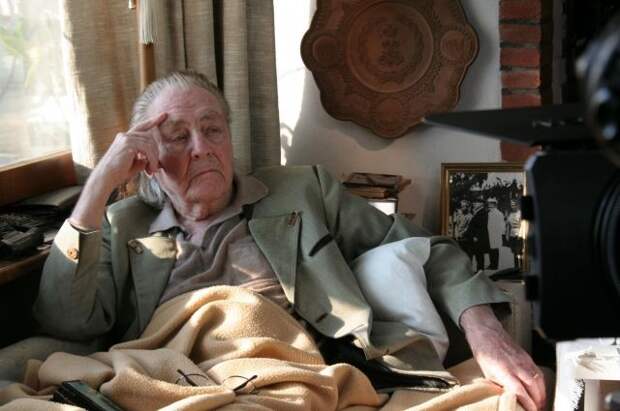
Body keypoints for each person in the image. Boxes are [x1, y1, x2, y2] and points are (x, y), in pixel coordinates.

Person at [32, 71, 545, 410]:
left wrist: (488, 336)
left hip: (291, 373)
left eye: (213, 129)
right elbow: (65, 319)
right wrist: (99, 185)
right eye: (179, 137)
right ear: (146, 158)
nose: (202, 148)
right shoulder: (121, 225)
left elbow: (431, 251)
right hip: (179, 379)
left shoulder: (302, 191)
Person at [462, 195, 490, 272]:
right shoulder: (477, 212)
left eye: (476, 202)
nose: (474, 203)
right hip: (475, 238)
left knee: (479, 255)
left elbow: (481, 227)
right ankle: (479, 270)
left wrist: (476, 236)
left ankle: (480, 271)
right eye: (474, 202)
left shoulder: (483, 212)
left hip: (478, 238)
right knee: (478, 255)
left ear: (481, 204)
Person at [486, 197, 506, 270]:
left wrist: (501, 233)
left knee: (495, 249)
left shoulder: (499, 213)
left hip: (496, 234)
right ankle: (492, 264)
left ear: (494, 205)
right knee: (491, 249)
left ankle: (494, 265)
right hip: (490, 233)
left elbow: (502, 225)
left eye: (491, 204)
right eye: (489, 204)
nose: (489, 205)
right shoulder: (489, 213)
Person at [505, 199, 524, 269]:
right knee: (514, 252)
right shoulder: (510, 214)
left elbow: (523, 225)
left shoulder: (520, 213)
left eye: (514, 205)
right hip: (512, 235)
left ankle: (522, 266)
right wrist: (507, 235)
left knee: (519, 251)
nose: (513, 206)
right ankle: (516, 267)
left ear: (517, 205)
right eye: (512, 205)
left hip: (519, 234)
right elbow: (508, 225)